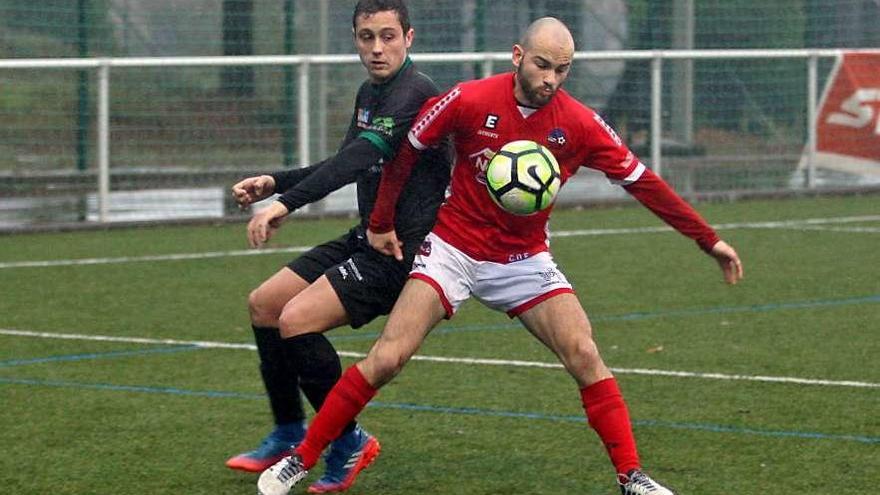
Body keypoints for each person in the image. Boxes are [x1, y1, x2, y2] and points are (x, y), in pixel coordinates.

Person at [258, 17, 743, 495]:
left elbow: (644, 184)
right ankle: (300, 460)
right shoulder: (469, 99)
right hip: (453, 248)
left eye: (562, 69)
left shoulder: (580, 124)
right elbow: (405, 151)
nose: (550, 79)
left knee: (584, 353)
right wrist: (381, 220)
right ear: (517, 56)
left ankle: (632, 478)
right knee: (388, 356)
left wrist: (708, 239)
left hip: (523, 260)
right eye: (542, 65)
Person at [227, 1, 450, 492]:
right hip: (367, 237)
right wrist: (276, 181)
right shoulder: (371, 92)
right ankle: (289, 430)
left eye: (388, 36)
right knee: (265, 304)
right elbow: (348, 158)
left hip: (401, 253)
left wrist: (286, 204)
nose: (376, 48)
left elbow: (362, 157)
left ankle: (349, 441)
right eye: (366, 36)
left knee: (296, 320)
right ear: (355, 38)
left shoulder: (416, 94)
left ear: (409, 38)